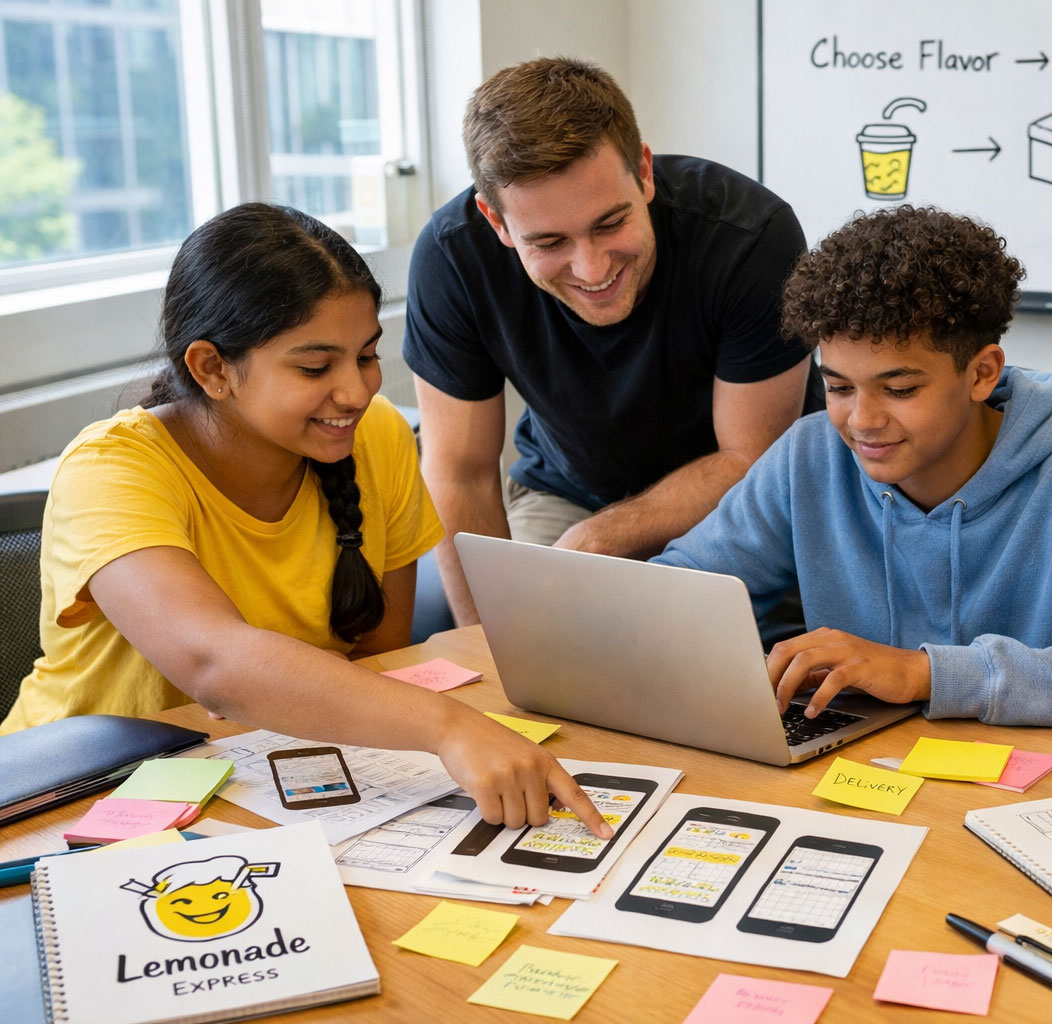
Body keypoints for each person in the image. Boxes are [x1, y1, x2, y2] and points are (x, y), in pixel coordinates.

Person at [3, 203, 609, 838]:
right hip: (74, 801)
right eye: (315, 368)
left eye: (368, 355)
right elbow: (213, 663)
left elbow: (381, 664)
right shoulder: (112, 467)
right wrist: (448, 726)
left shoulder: (377, 438)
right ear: (211, 368)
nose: (356, 391)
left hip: (260, 785)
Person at [654, 206, 1052, 734]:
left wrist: (927, 673)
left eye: (899, 389)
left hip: (1037, 798)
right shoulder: (809, 455)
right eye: (837, 387)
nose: (862, 421)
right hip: (866, 782)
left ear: (981, 373)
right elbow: (680, 595)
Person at [404, 57, 817, 625]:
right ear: (496, 222)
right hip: (564, 497)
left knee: (717, 662)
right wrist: (491, 643)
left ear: (644, 172)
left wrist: (599, 540)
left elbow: (749, 461)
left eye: (609, 223)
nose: (591, 267)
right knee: (531, 652)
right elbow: (460, 472)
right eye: (549, 241)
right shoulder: (452, 259)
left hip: (742, 505)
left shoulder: (749, 237)